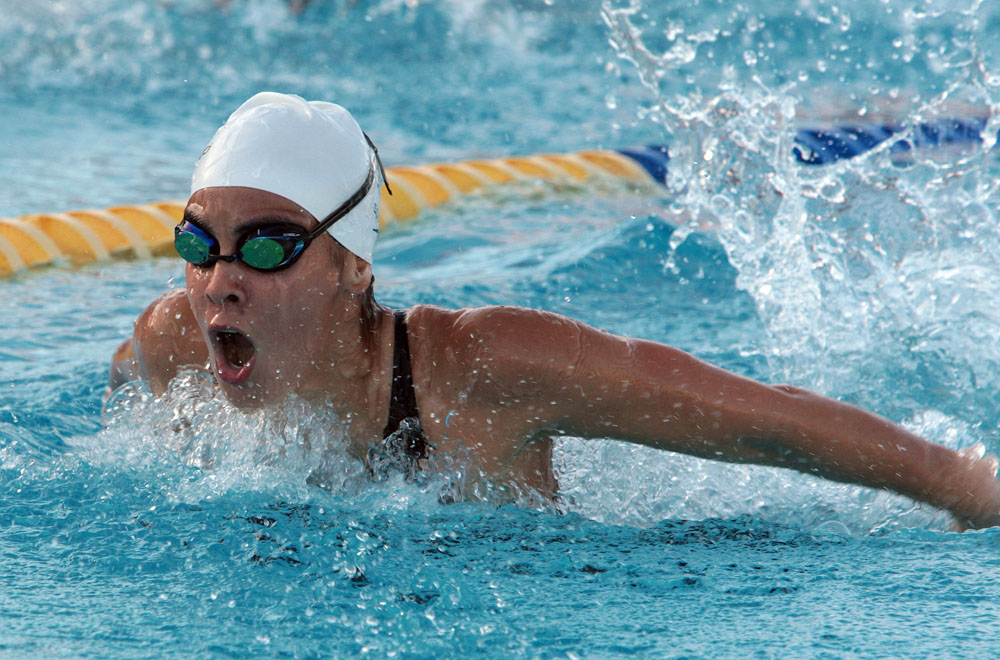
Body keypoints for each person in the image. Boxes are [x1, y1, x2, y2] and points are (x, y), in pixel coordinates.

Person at [109, 92, 1000, 528]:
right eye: (198, 243)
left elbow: (763, 422)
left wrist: (962, 485)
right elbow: (124, 406)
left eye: (268, 246)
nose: (221, 280)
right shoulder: (175, 343)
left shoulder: (487, 370)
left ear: (353, 266)